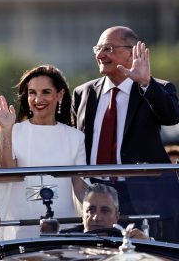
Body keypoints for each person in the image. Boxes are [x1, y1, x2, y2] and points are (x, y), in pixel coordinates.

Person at [71, 26, 179, 242]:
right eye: (98, 49)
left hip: (141, 195)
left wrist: (146, 83)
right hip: (97, 196)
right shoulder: (83, 93)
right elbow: (76, 143)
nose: (100, 55)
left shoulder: (155, 88)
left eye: (108, 48)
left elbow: (171, 116)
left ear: (132, 52)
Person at [0, 65, 87, 240]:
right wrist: (6, 131)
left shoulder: (76, 137)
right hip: (21, 227)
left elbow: (80, 188)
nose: (38, 99)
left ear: (60, 94)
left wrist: (101, 209)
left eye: (46, 92)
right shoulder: (13, 130)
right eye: (32, 93)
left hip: (64, 227)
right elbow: (6, 171)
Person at [60, 183, 149, 240]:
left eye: (105, 211)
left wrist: (148, 243)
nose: (97, 218)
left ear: (116, 216)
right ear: (83, 215)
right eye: (91, 210)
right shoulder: (63, 239)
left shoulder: (128, 240)